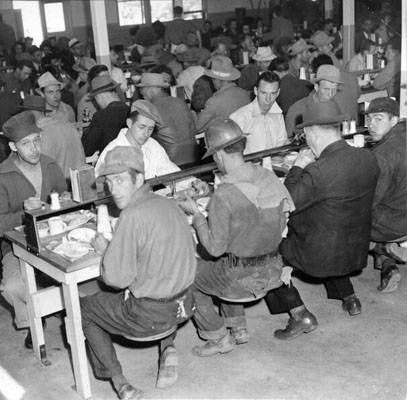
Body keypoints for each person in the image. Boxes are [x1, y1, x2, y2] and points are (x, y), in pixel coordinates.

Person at [80, 145, 196, 398]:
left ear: (139, 179)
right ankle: (168, 347)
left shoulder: (131, 215)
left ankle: (119, 381)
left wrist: (106, 251)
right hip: (185, 306)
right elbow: (153, 258)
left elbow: (116, 280)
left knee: (84, 308)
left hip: (150, 317)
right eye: (109, 182)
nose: (114, 189)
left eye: (120, 180)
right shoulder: (168, 204)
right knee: (160, 276)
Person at [178, 118, 294, 355]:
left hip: (240, 279)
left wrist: (197, 215)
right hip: (272, 269)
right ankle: (237, 326)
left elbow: (214, 249)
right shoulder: (268, 176)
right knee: (228, 259)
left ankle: (217, 336)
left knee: (188, 275)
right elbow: (282, 222)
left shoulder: (224, 195)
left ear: (219, 155)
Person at [267, 100, 379, 341]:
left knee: (263, 251)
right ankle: (350, 297)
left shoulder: (318, 171)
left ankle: (298, 314)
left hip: (318, 256)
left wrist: (297, 167)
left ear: (311, 133)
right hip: (355, 249)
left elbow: (287, 201)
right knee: (331, 227)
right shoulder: (368, 158)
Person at [0, 111, 66, 348]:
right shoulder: (3, 175)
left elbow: (65, 196)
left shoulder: (50, 164)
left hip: (55, 237)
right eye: (25, 143)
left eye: (36, 140)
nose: (34, 148)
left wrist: (63, 200)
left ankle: (60, 306)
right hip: (16, 245)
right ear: (13, 146)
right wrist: (23, 214)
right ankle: (34, 319)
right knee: (12, 286)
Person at [366, 97, 407, 292]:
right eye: (369, 119)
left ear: (394, 120)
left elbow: (370, 201)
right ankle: (388, 264)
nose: (371, 125)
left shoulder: (382, 154)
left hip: (395, 222)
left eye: (378, 119)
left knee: (344, 219)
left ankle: (383, 249)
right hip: (403, 212)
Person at [137, 73, 199, 165]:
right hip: (194, 156)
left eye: (142, 89)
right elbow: (194, 127)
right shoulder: (180, 102)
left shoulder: (149, 108)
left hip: (169, 162)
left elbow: (140, 138)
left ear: (150, 89)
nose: (141, 92)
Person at [20, 95, 85, 180]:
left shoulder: (36, 136)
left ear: (28, 113)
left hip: (56, 188)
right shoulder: (68, 125)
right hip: (80, 182)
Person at [230, 72, 288, 156]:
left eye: (273, 93)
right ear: (255, 91)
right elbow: (232, 156)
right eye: (264, 93)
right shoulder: (239, 117)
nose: (268, 99)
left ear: (278, 92)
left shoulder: (278, 114)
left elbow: (282, 143)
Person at [285, 65, 345, 138]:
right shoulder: (297, 111)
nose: (330, 95)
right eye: (326, 89)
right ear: (316, 87)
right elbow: (290, 143)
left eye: (334, 90)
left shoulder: (335, 105)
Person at [197, 56, 250, 131]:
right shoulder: (245, 94)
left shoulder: (213, 102)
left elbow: (197, 126)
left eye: (213, 79)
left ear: (217, 80)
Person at [81, 75, 129, 157]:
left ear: (99, 97)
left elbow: (87, 149)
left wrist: (85, 134)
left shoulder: (100, 116)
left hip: (110, 164)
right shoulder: (131, 110)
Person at [0, 59, 33, 127]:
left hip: (20, 116)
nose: (27, 76)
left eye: (29, 74)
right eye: (25, 73)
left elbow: (27, 98)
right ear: (18, 70)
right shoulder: (4, 80)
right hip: (5, 118)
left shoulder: (27, 82)